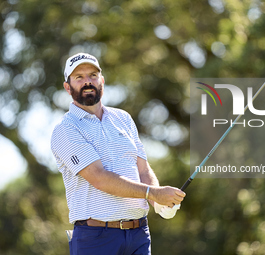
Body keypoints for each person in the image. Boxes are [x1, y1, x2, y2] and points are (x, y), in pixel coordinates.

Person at [51, 52, 186, 255]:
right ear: (67, 87)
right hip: (95, 238)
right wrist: (153, 193)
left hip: (139, 234)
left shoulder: (123, 118)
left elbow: (142, 168)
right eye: (79, 77)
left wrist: (157, 202)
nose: (88, 81)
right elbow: (99, 179)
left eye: (93, 75)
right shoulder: (66, 129)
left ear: (102, 81)